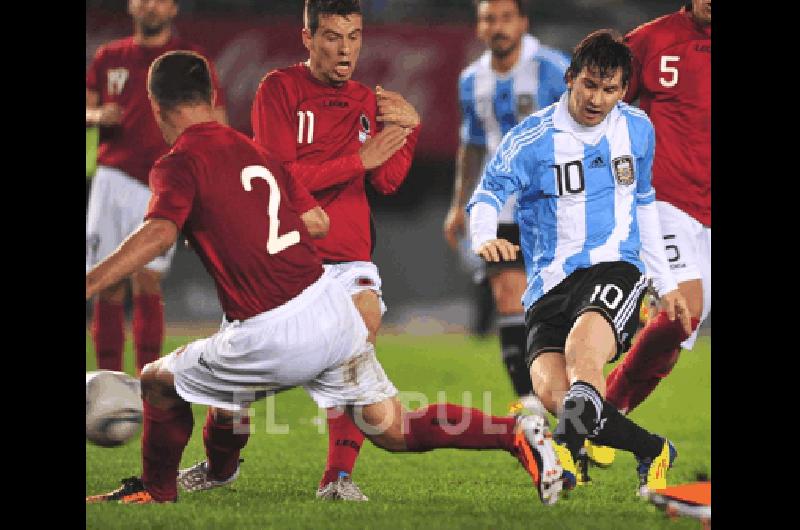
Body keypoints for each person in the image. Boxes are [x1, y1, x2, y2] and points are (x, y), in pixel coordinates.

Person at [85, 50, 566, 506]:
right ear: (213, 98)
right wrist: (240, 223)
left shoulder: (178, 163)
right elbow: (317, 222)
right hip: (329, 309)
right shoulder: (254, 154)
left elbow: (158, 233)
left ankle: (156, 488)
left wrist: (90, 281)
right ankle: (515, 434)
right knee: (394, 428)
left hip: (272, 331)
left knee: (157, 381)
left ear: (154, 106)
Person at [181, 0, 419, 502]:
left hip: (349, 259)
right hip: (284, 258)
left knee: (363, 322)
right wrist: (358, 158)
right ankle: (220, 467)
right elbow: (279, 176)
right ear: (307, 38)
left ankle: (337, 478)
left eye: (354, 36)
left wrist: (407, 131)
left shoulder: (365, 100)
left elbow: (389, 181)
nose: (346, 49)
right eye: (333, 36)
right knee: (229, 397)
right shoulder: (278, 89)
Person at [467, 29, 692, 496]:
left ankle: (564, 454)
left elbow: (644, 204)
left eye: (610, 89)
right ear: (570, 79)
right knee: (554, 393)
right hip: (548, 285)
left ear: (623, 90)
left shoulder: (636, 129)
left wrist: (664, 282)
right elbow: (488, 193)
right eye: (590, 85)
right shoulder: (531, 138)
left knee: (582, 355)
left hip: (615, 266)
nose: (598, 98)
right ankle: (652, 448)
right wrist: (484, 235)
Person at [442, 0, 569, 417]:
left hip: (556, 206)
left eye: (504, 18)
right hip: (501, 206)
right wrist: (459, 205)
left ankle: (573, 395)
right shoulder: (470, 81)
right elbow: (472, 145)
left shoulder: (553, 68)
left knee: (559, 303)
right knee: (507, 294)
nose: (497, 27)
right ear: (479, 27)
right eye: (488, 19)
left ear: (522, 23)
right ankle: (532, 406)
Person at [86, 0, 226, 375]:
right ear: (131, 7)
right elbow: (87, 108)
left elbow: (218, 120)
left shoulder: (190, 60)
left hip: (164, 180)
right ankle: (108, 384)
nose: (150, 6)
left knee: (148, 280)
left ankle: (147, 381)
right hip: (113, 179)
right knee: (108, 282)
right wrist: (99, 116)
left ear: (174, 8)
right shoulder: (109, 56)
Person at [599, 0, 711, 463]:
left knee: (672, 341)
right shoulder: (652, 40)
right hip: (665, 200)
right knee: (683, 311)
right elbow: (601, 107)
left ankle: (598, 418)